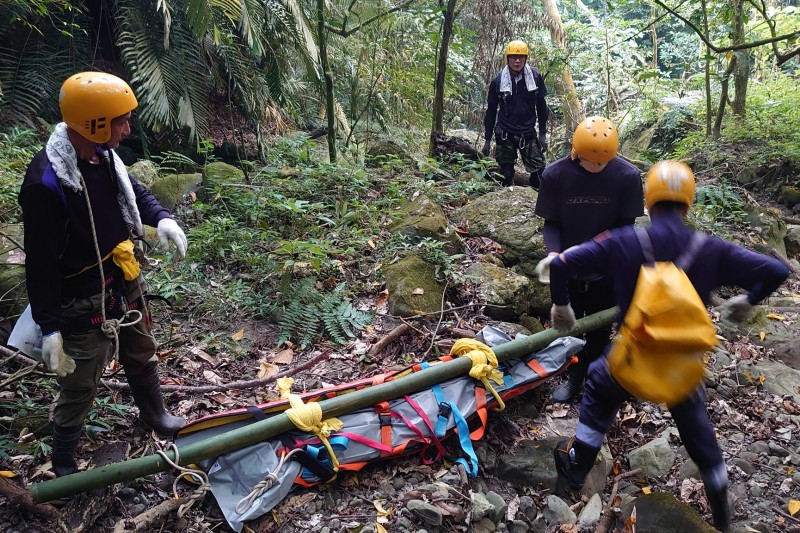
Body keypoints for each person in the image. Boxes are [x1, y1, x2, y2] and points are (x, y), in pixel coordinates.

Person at [547, 160, 790, 532]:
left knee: (597, 383)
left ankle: (577, 468)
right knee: (697, 426)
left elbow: (561, 263)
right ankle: (721, 510)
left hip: (631, 359)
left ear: (649, 200)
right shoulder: (710, 248)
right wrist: (747, 301)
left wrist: (561, 304)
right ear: (688, 202)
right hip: (682, 365)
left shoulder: (623, 240)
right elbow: (777, 271)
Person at [19, 71, 189, 477]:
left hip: (120, 271)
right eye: (120, 120)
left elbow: (133, 190)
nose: (128, 128)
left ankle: (155, 414)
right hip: (79, 292)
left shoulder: (103, 155)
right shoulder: (48, 182)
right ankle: (63, 460)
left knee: (140, 346)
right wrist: (50, 327)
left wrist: (161, 219)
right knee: (80, 379)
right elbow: (39, 263)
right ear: (93, 121)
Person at [535, 116, 644, 403]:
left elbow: (625, 226)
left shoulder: (627, 176)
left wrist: (594, 249)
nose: (596, 167)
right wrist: (554, 253)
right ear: (576, 152)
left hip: (606, 267)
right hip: (567, 268)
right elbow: (552, 222)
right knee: (569, 324)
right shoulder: (556, 175)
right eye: (590, 162)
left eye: (603, 163)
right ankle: (573, 373)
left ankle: (589, 380)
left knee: (598, 330)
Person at [482, 40, 548, 188]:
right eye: (513, 57)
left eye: (521, 57)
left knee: (539, 174)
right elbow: (491, 111)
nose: (517, 61)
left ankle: (534, 202)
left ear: (526, 58)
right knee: (505, 175)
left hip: (528, 132)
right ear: (507, 58)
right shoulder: (498, 81)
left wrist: (543, 134)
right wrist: (487, 140)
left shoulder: (535, 78)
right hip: (505, 132)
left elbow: (542, 107)